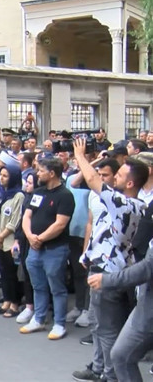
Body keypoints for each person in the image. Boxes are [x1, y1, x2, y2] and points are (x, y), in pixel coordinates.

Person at [73, 137, 147, 380]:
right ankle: (102, 369)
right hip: (105, 267)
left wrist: (81, 156)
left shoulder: (125, 204)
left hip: (108, 273)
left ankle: (110, 375)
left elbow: (93, 180)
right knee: (101, 325)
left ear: (130, 182)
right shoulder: (128, 203)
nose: (114, 177)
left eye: (120, 174)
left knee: (107, 330)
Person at [20, 157, 75, 340]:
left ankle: (59, 323)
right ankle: (39, 318)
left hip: (55, 248)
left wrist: (40, 239)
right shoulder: (38, 192)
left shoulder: (65, 195)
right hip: (34, 248)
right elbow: (27, 216)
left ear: (52, 173)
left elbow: (60, 224)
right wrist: (30, 236)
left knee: (56, 287)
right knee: (38, 285)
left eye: (41, 171)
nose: (37, 174)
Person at [87, 239, 153, 382]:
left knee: (121, 355)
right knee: (121, 355)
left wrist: (107, 281)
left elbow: (147, 268)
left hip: (148, 310)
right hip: (145, 305)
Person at [0, 164, 25, 318]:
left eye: (5, 176)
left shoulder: (19, 196)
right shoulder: (1, 194)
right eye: (1, 175)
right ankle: (6, 301)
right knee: (3, 273)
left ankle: (15, 303)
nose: (2, 178)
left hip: (9, 241)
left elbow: (15, 220)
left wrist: (2, 236)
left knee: (12, 273)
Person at [14, 171, 38, 324]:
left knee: (38, 278)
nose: (26, 185)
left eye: (30, 182)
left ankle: (40, 307)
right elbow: (21, 220)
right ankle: (29, 305)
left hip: (36, 241)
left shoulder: (40, 198)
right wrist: (17, 239)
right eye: (26, 182)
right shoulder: (26, 198)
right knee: (27, 275)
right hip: (24, 241)